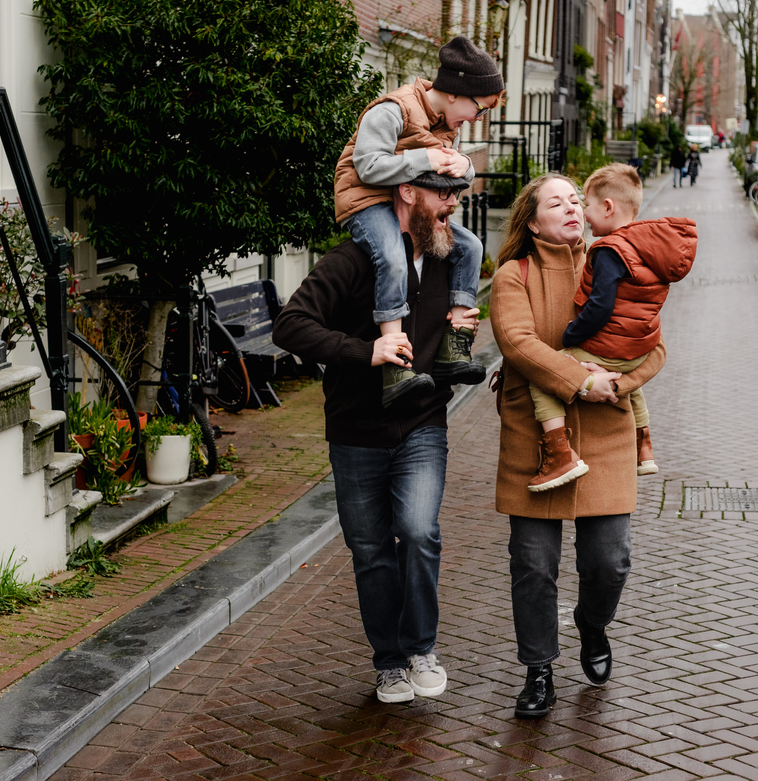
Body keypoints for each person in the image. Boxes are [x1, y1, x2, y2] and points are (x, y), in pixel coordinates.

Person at [273, 171, 480, 704]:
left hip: (422, 422)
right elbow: (290, 325)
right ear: (407, 193)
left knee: (417, 532)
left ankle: (420, 649)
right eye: (443, 194)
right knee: (369, 550)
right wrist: (366, 352)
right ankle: (388, 663)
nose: (452, 205)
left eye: (457, 195)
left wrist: (462, 337)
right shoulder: (352, 259)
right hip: (355, 429)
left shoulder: (451, 258)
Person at [490, 174, 667, 719]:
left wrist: (617, 384)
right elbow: (518, 343)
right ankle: (539, 669)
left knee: (610, 562)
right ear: (533, 218)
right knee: (533, 565)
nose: (570, 207)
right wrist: (579, 378)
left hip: (608, 434)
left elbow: (654, 347)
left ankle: (592, 624)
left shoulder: (616, 260)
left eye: (575, 199)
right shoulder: (511, 276)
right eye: (556, 201)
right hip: (536, 440)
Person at [334, 35, 501, 407]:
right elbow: (368, 165)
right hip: (369, 199)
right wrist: (425, 159)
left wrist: (467, 167)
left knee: (471, 246)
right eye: (481, 109)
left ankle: (453, 345)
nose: (478, 119)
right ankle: (396, 365)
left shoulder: (447, 121)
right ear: (458, 92)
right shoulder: (392, 110)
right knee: (393, 256)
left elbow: (447, 170)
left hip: (410, 203)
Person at [525, 164, 696, 492]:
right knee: (633, 385)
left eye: (584, 204)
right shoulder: (646, 246)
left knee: (545, 379)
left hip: (608, 345)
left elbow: (600, 307)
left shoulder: (608, 251)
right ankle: (643, 445)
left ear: (607, 207)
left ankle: (559, 453)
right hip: (639, 345)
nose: (583, 213)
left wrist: (572, 335)